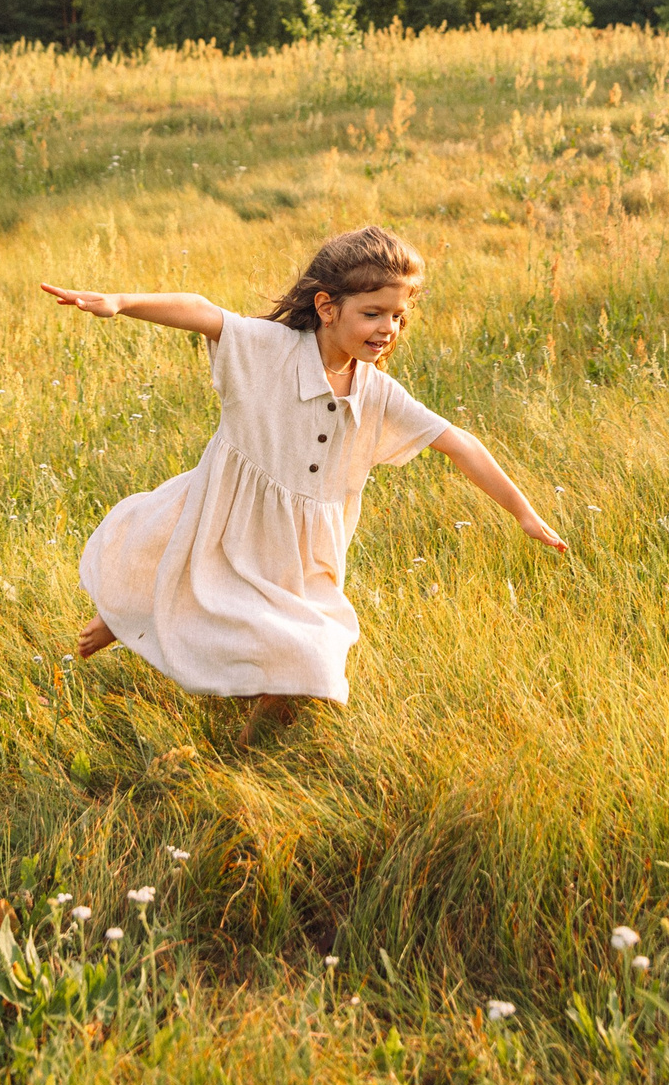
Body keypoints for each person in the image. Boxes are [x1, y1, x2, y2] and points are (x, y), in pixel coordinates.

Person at [40, 225, 566, 741]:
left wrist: (523, 512)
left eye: (399, 316)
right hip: (225, 516)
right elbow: (203, 311)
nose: (389, 329)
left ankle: (251, 751)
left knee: (310, 658)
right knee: (174, 572)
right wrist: (119, 301)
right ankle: (128, 613)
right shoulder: (268, 348)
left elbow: (458, 443)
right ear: (326, 307)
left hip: (301, 555)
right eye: (373, 313)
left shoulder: (378, 393)